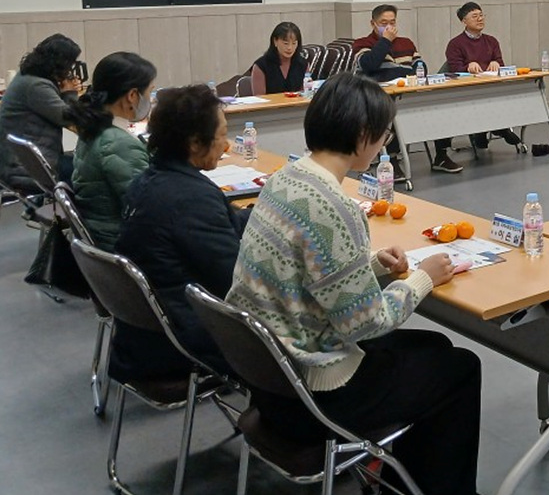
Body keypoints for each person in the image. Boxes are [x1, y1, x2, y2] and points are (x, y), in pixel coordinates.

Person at [226, 73, 480, 495]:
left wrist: (373, 266)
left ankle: (405, 480)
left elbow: (309, 273)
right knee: (461, 368)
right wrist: (423, 278)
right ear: (363, 135)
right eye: (384, 135)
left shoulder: (285, 179)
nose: (384, 145)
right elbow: (366, 323)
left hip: (270, 380)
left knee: (435, 347)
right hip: (315, 394)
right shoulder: (335, 207)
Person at [112, 85, 250, 379]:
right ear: (195, 143)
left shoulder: (148, 181)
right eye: (222, 135)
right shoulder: (191, 198)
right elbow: (239, 282)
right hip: (185, 340)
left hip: (146, 334)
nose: (226, 145)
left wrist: (264, 214)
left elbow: (218, 227)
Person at [65, 52, 156, 250]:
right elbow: (149, 209)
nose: (150, 100)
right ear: (132, 96)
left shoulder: (92, 127)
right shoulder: (118, 143)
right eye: (150, 92)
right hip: (119, 241)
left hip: (101, 232)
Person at [353, 4, 458, 173]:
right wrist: (385, 41)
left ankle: (441, 155)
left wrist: (415, 70)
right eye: (384, 23)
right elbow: (369, 65)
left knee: (440, 106)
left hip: (409, 94)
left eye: (392, 22)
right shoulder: (362, 43)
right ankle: (391, 160)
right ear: (373, 24)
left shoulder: (406, 43)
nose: (389, 27)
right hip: (378, 99)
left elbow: (419, 66)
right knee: (391, 111)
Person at [0, 33, 83, 192]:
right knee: (92, 174)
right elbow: (70, 119)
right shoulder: (36, 86)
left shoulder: (26, 76)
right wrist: (70, 93)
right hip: (28, 171)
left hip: (18, 163)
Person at [445, 1, 524, 150]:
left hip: (491, 87)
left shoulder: (491, 41)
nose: (480, 19)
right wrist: (467, 67)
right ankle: (496, 129)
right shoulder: (455, 44)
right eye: (475, 16)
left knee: (503, 96)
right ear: (464, 21)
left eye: (481, 15)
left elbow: (501, 64)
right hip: (467, 90)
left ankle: (491, 129)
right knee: (481, 100)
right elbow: (454, 71)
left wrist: (496, 63)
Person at [250, 21, 307, 95]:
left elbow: (306, 94)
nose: (290, 48)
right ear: (275, 41)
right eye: (286, 43)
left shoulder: (302, 64)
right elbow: (260, 99)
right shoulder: (261, 66)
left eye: (294, 43)